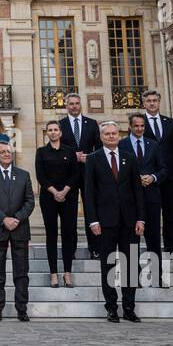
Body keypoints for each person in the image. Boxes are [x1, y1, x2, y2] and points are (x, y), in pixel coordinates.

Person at [83, 121, 145, 323]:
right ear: (101, 137)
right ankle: (111, 307)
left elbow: (138, 191)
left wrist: (140, 218)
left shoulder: (130, 158)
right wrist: (92, 221)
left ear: (119, 135)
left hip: (129, 221)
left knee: (131, 265)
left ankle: (129, 307)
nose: (111, 136)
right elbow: (89, 194)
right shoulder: (93, 159)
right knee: (108, 265)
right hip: (105, 222)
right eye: (107, 134)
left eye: (114, 133)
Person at [0, 139, 34, 322]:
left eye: (8, 151)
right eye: (2, 152)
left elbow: (30, 201)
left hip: (20, 229)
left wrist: (17, 218)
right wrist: (4, 219)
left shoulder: (23, 175)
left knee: (21, 272)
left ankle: (22, 309)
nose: (6, 154)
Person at [142, 90, 173, 254]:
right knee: (150, 214)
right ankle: (152, 247)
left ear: (159, 102)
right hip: (149, 176)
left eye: (154, 100)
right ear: (144, 103)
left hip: (169, 174)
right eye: (148, 101)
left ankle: (171, 246)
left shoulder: (170, 122)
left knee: (170, 213)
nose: (152, 103)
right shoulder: (140, 123)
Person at [34, 121, 77, 288]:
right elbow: (40, 176)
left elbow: (75, 174)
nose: (53, 132)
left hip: (69, 197)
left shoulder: (70, 151)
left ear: (60, 132)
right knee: (51, 235)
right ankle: (53, 274)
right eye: (50, 130)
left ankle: (67, 273)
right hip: (48, 198)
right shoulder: (41, 152)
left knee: (68, 234)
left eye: (55, 130)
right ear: (47, 133)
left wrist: (64, 192)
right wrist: (55, 192)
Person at [126, 113, 167, 287]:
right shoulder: (122, 144)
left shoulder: (154, 145)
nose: (139, 128)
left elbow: (164, 169)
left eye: (142, 126)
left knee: (154, 238)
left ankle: (157, 276)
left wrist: (153, 177)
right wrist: (135, 179)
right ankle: (135, 277)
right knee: (132, 239)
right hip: (130, 199)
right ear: (130, 126)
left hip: (151, 196)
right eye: (136, 126)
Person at [59, 92, 101, 258]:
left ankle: (95, 248)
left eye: (77, 103)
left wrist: (88, 158)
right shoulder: (60, 124)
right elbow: (58, 149)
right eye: (71, 104)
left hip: (88, 173)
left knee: (91, 210)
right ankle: (71, 250)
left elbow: (99, 148)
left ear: (80, 104)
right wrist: (71, 156)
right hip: (67, 175)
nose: (74, 106)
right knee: (69, 214)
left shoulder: (91, 124)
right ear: (66, 106)